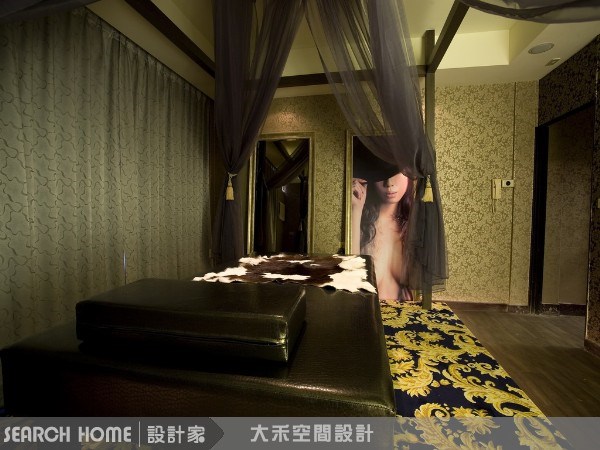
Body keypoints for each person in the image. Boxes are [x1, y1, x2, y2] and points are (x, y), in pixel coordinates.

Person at [351, 140, 413, 302]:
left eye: (396, 172)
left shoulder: (414, 225)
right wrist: (356, 210)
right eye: (380, 176)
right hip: (367, 312)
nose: (389, 184)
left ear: (408, 173)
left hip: (406, 314)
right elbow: (353, 277)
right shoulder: (363, 224)